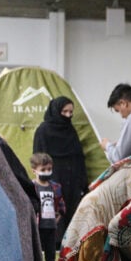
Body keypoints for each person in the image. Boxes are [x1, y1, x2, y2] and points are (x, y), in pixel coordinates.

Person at [33, 96, 90, 242]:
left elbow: (78, 157)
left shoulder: (70, 130)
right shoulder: (43, 131)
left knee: (72, 214)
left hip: (72, 181)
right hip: (53, 179)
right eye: (64, 112)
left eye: (71, 112)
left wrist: (83, 182)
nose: (68, 116)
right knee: (54, 215)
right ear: (56, 111)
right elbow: (38, 158)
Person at [30, 152, 66, 261]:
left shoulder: (55, 187)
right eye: (43, 170)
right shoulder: (32, 187)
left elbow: (61, 204)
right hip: (37, 227)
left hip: (50, 227)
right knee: (36, 256)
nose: (47, 172)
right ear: (34, 171)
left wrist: (57, 218)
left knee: (50, 257)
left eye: (49, 169)